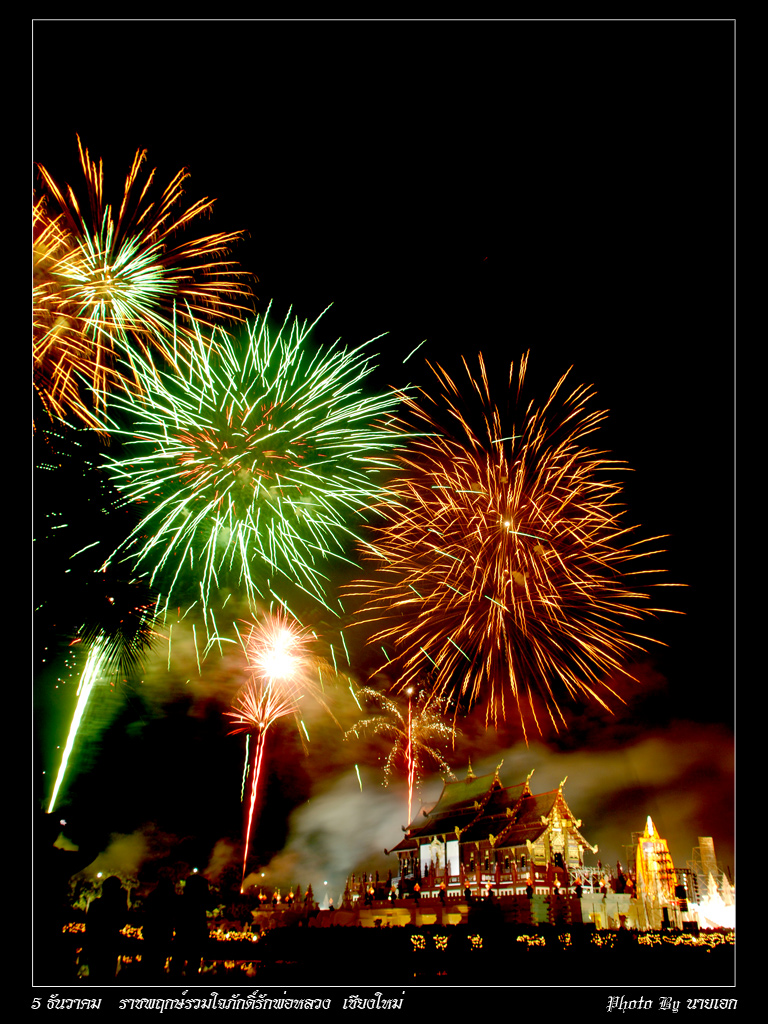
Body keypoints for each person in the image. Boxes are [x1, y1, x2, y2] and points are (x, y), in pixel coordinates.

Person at [85, 876, 127, 983]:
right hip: (109, 946)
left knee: (95, 975)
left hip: (95, 946)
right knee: (107, 976)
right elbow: (121, 923)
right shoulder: (116, 908)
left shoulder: (95, 905)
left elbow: (89, 928)